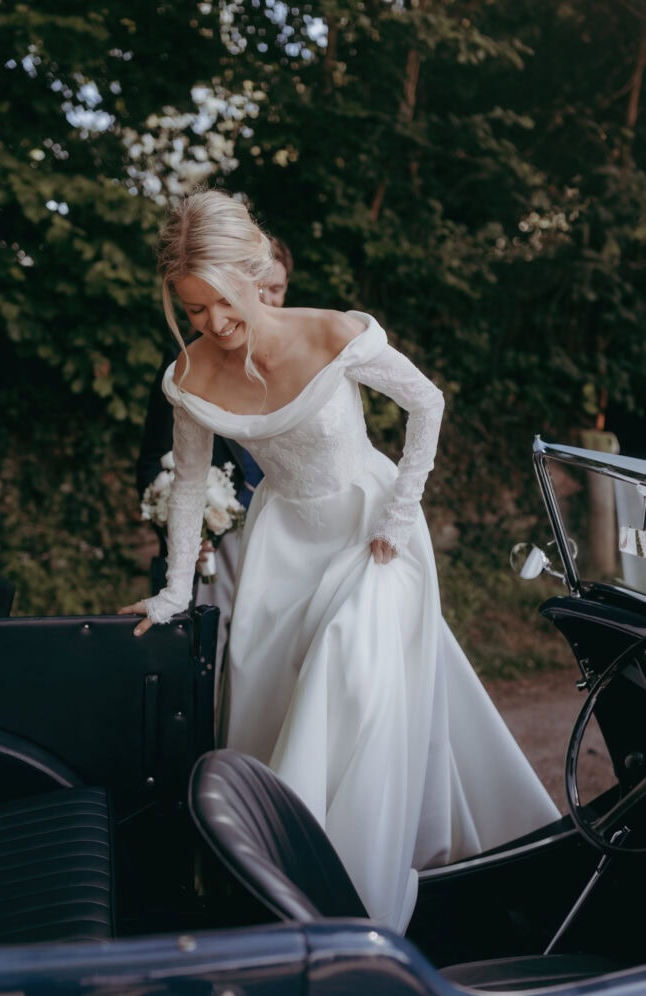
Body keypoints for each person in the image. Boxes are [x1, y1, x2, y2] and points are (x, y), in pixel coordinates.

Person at [120, 189, 560, 934]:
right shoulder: (191, 376)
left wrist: (399, 509)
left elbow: (427, 403)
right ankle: (269, 867)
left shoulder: (333, 334)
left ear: (254, 272)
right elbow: (190, 481)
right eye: (194, 311)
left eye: (224, 303)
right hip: (280, 541)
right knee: (267, 693)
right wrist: (170, 591)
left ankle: (345, 893)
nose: (215, 325)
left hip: (370, 527)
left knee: (349, 661)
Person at [135, 235, 293, 672]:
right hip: (218, 546)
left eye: (277, 289)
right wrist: (183, 522)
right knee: (217, 657)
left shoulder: (300, 357)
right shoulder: (184, 366)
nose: (267, 299)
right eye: (261, 287)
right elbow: (153, 461)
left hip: (291, 532)